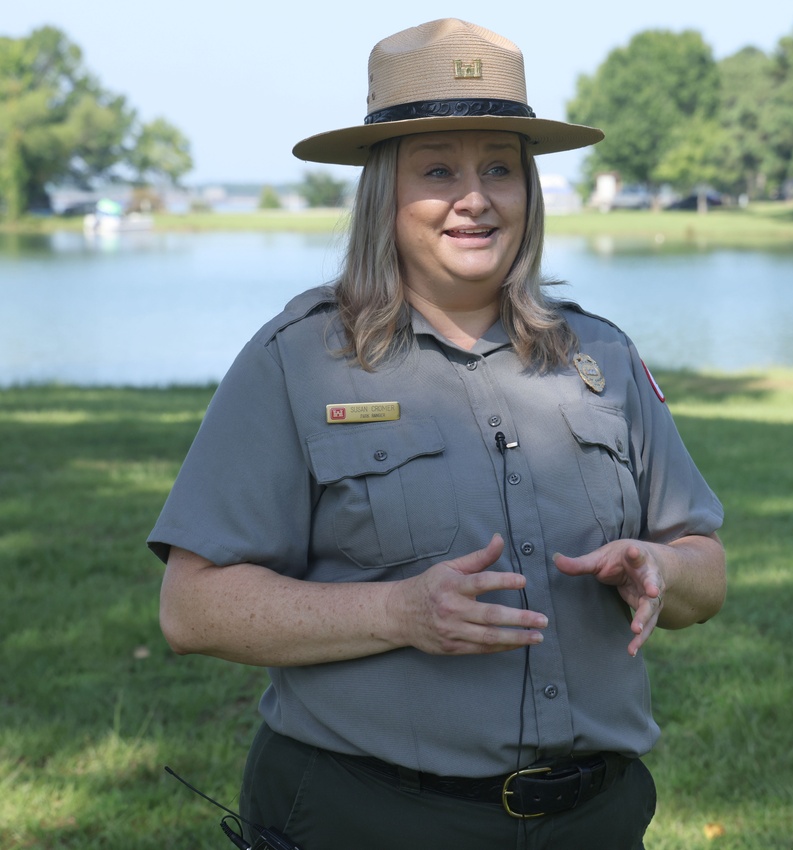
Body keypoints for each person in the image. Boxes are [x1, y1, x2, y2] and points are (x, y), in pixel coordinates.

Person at [150, 18, 726, 850]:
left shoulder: (600, 354)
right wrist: (400, 611)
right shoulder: (299, 362)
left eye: (499, 167)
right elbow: (192, 608)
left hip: (593, 822)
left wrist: (664, 568)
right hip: (371, 819)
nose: (475, 196)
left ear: (529, 189)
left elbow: (705, 569)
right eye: (438, 170)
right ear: (385, 192)